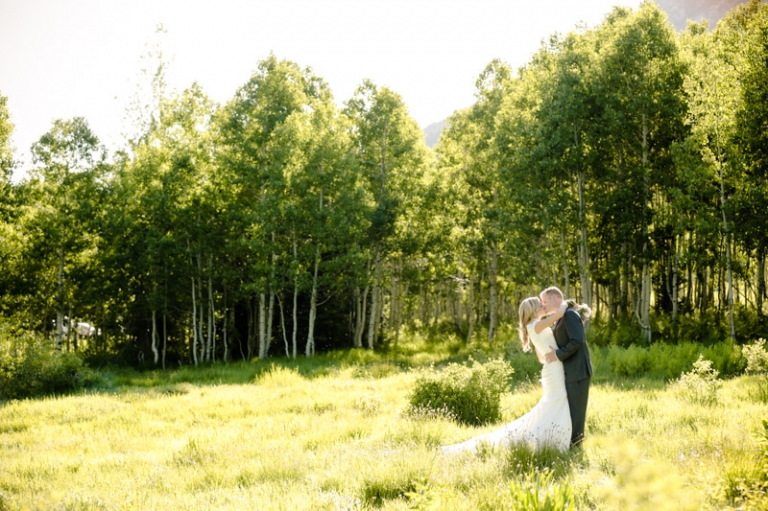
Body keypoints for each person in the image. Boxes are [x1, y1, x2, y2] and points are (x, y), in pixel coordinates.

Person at [441, 297, 571, 454]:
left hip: (552, 369)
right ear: (534, 310)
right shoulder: (536, 325)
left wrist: (551, 353)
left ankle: (553, 439)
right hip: (554, 371)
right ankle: (553, 441)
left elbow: (541, 358)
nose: (544, 305)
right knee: (556, 401)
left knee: (554, 403)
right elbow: (559, 314)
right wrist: (567, 303)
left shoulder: (534, 327)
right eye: (540, 304)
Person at [540, 286, 592, 447]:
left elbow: (577, 341)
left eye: (544, 301)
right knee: (569, 410)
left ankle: (576, 446)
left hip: (578, 371)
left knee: (576, 411)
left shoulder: (569, 314)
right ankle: (568, 443)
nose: (543, 305)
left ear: (553, 298)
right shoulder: (561, 316)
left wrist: (557, 354)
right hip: (569, 371)